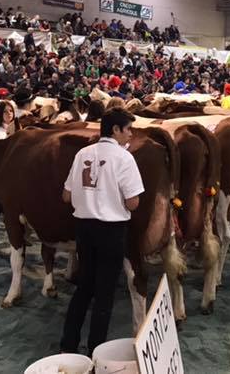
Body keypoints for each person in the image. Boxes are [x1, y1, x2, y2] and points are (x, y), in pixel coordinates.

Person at [60, 108, 145, 355]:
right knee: (105, 292)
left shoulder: (82, 153)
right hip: (111, 229)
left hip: (84, 228)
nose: (130, 134)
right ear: (116, 130)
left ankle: (68, 344)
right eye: (128, 129)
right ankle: (95, 348)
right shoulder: (124, 158)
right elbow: (132, 203)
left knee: (84, 286)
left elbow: (66, 196)